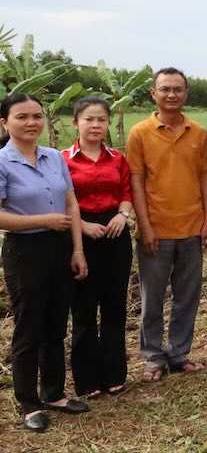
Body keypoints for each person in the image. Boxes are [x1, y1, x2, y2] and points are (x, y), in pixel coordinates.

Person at [0, 93, 89, 432]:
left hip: (60, 245)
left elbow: (71, 203)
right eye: (22, 116)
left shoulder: (54, 156)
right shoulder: (2, 162)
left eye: (37, 116)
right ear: (5, 122)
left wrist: (77, 250)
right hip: (25, 250)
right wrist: (42, 220)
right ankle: (28, 402)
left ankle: (53, 392)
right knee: (29, 327)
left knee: (56, 323)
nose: (31, 122)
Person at [127, 67, 207, 383]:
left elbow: (205, 176)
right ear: (154, 94)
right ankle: (153, 357)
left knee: (187, 296)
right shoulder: (140, 133)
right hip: (156, 230)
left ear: (186, 94)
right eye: (165, 89)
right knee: (152, 298)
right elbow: (136, 181)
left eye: (178, 89)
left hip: (191, 227)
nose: (171, 94)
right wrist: (145, 226)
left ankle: (179, 353)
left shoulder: (199, 133)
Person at [62, 97, 133, 398]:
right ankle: (87, 380)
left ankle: (115, 374)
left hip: (115, 233)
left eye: (101, 120)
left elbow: (126, 192)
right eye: (89, 119)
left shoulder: (117, 158)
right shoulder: (62, 159)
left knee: (115, 306)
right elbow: (59, 200)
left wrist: (122, 214)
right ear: (75, 122)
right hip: (80, 235)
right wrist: (82, 226)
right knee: (84, 309)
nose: (95, 125)